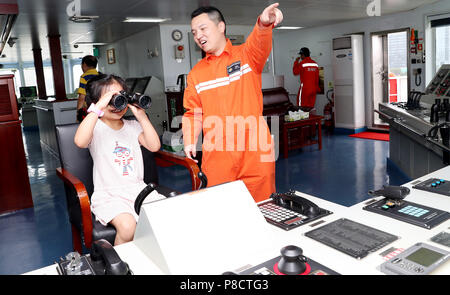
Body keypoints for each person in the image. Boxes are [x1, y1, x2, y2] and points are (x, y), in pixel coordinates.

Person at [182, 3, 283, 203]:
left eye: (203, 29)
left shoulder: (247, 56)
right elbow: (193, 112)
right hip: (217, 154)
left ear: (221, 27)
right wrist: (189, 140)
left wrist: (264, 24)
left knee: (264, 207)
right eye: (194, 32)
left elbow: (259, 42)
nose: (198, 36)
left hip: (254, 150)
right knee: (223, 211)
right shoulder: (196, 74)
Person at [74, 74, 162, 245]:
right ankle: (118, 267)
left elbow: (154, 146)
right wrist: (98, 107)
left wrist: (142, 117)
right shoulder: (95, 128)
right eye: (110, 99)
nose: (116, 104)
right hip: (109, 196)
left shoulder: (133, 127)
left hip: (138, 190)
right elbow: (80, 141)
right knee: (128, 227)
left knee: (163, 215)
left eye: (120, 96)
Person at [76, 55, 100, 122]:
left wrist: (78, 115)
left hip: (89, 110)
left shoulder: (84, 77)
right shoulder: (101, 76)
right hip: (101, 109)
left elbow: (82, 98)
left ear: (84, 64)